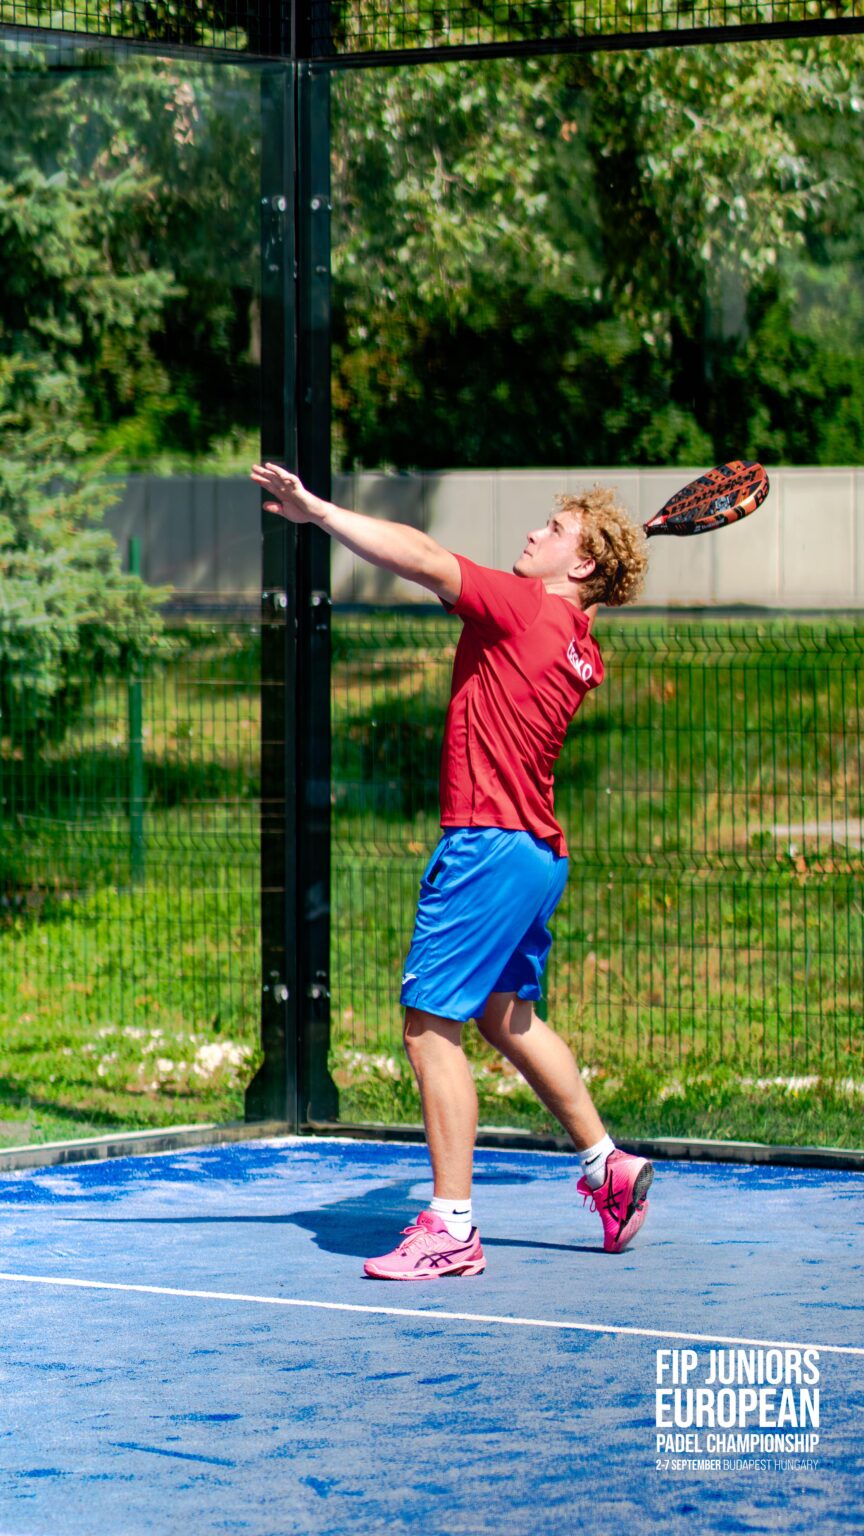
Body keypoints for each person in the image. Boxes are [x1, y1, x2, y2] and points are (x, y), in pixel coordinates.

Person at [250, 461, 654, 1280]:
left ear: (580, 564)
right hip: (536, 854)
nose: (534, 532)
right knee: (507, 1016)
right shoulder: (578, 642)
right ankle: (606, 1163)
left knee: (428, 1025)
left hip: (486, 846)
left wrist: (318, 511)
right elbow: (466, 591)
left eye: (554, 530)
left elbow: (426, 558)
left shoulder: (526, 608)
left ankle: (452, 1227)